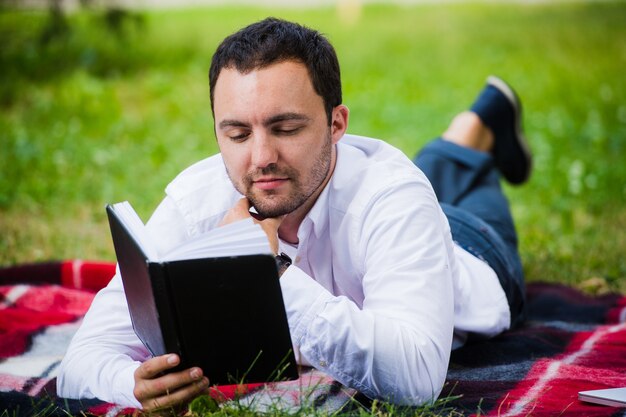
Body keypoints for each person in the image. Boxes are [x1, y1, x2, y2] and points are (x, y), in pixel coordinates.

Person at [57, 17, 530, 411]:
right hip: (384, 197)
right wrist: (132, 384)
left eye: (285, 128)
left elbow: (416, 377)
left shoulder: (397, 198)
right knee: (438, 163)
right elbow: (82, 361)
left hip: (473, 249)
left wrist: (269, 273)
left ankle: (479, 126)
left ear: (336, 122)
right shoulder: (195, 203)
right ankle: (469, 131)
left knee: (459, 174)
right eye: (238, 134)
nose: (261, 156)